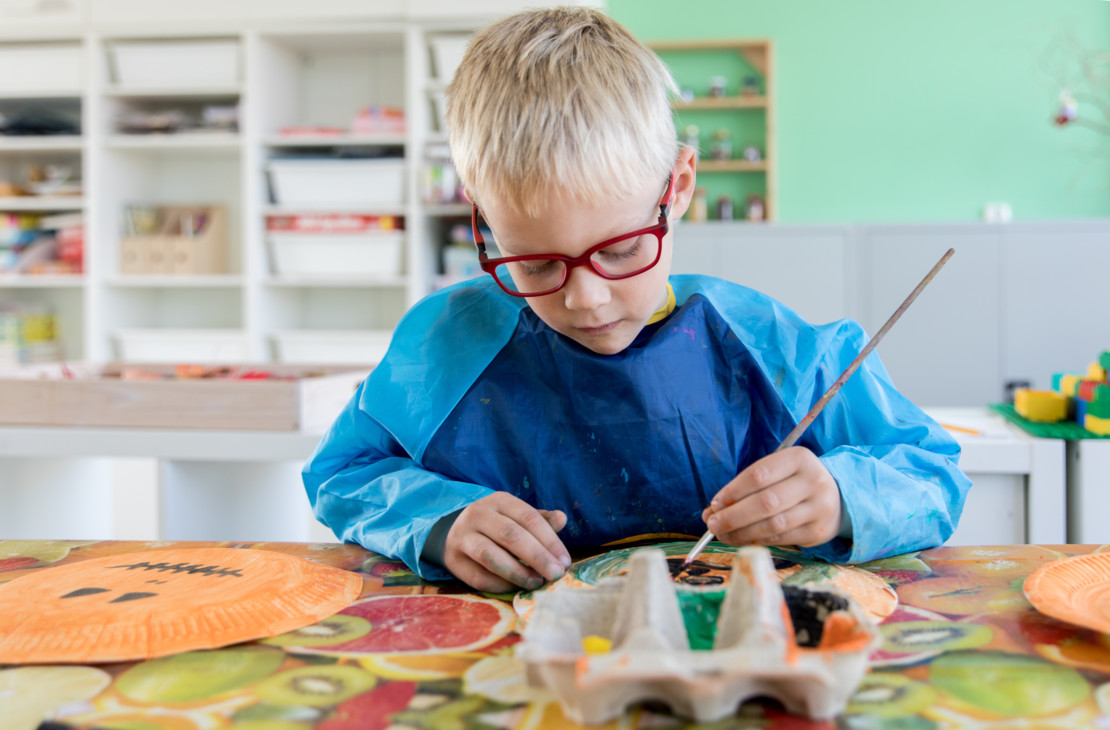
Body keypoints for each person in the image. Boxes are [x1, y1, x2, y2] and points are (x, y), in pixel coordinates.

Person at [303, 6, 971, 593]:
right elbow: (342, 472)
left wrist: (843, 499)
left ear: (677, 187)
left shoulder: (775, 352)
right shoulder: (442, 349)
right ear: (483, 222)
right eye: (536, 264)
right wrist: (437, 519)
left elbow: (931, 473)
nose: (587, 300)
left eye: (621, 251)